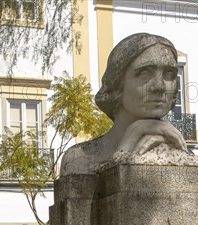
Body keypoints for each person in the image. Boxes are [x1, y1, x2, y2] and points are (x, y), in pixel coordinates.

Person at [61, 33, 188, 176]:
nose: (159, 86)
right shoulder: (79, 159)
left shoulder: (180, 153)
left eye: (169, 75)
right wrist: (123, 153)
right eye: (144, 73)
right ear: (118, 82)